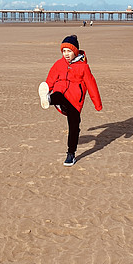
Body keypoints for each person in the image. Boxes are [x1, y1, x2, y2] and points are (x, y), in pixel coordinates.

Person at [38, 35, 102, 166]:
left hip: (74, 101)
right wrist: (47, 89)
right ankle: (48, 98)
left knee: (74, 126)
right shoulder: (58, 64)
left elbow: (91, 85)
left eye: (69, 51)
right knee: (58, 94)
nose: (66, 54)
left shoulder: (83, 67)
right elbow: (50, 80)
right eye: (64, 51)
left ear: (76, 51)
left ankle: (70, 154)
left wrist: (98, 104)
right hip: (60, 95)